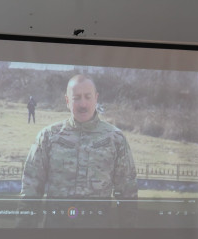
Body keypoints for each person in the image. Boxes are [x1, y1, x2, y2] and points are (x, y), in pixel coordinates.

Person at [18, 75, 138, 228]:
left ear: (96, 98)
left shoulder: (115, 138)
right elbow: (31, 189)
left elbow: (127, 191)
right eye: (77, 98)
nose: (83, 104)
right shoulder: (48, 136)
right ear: (68, 101)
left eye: (88, 97)